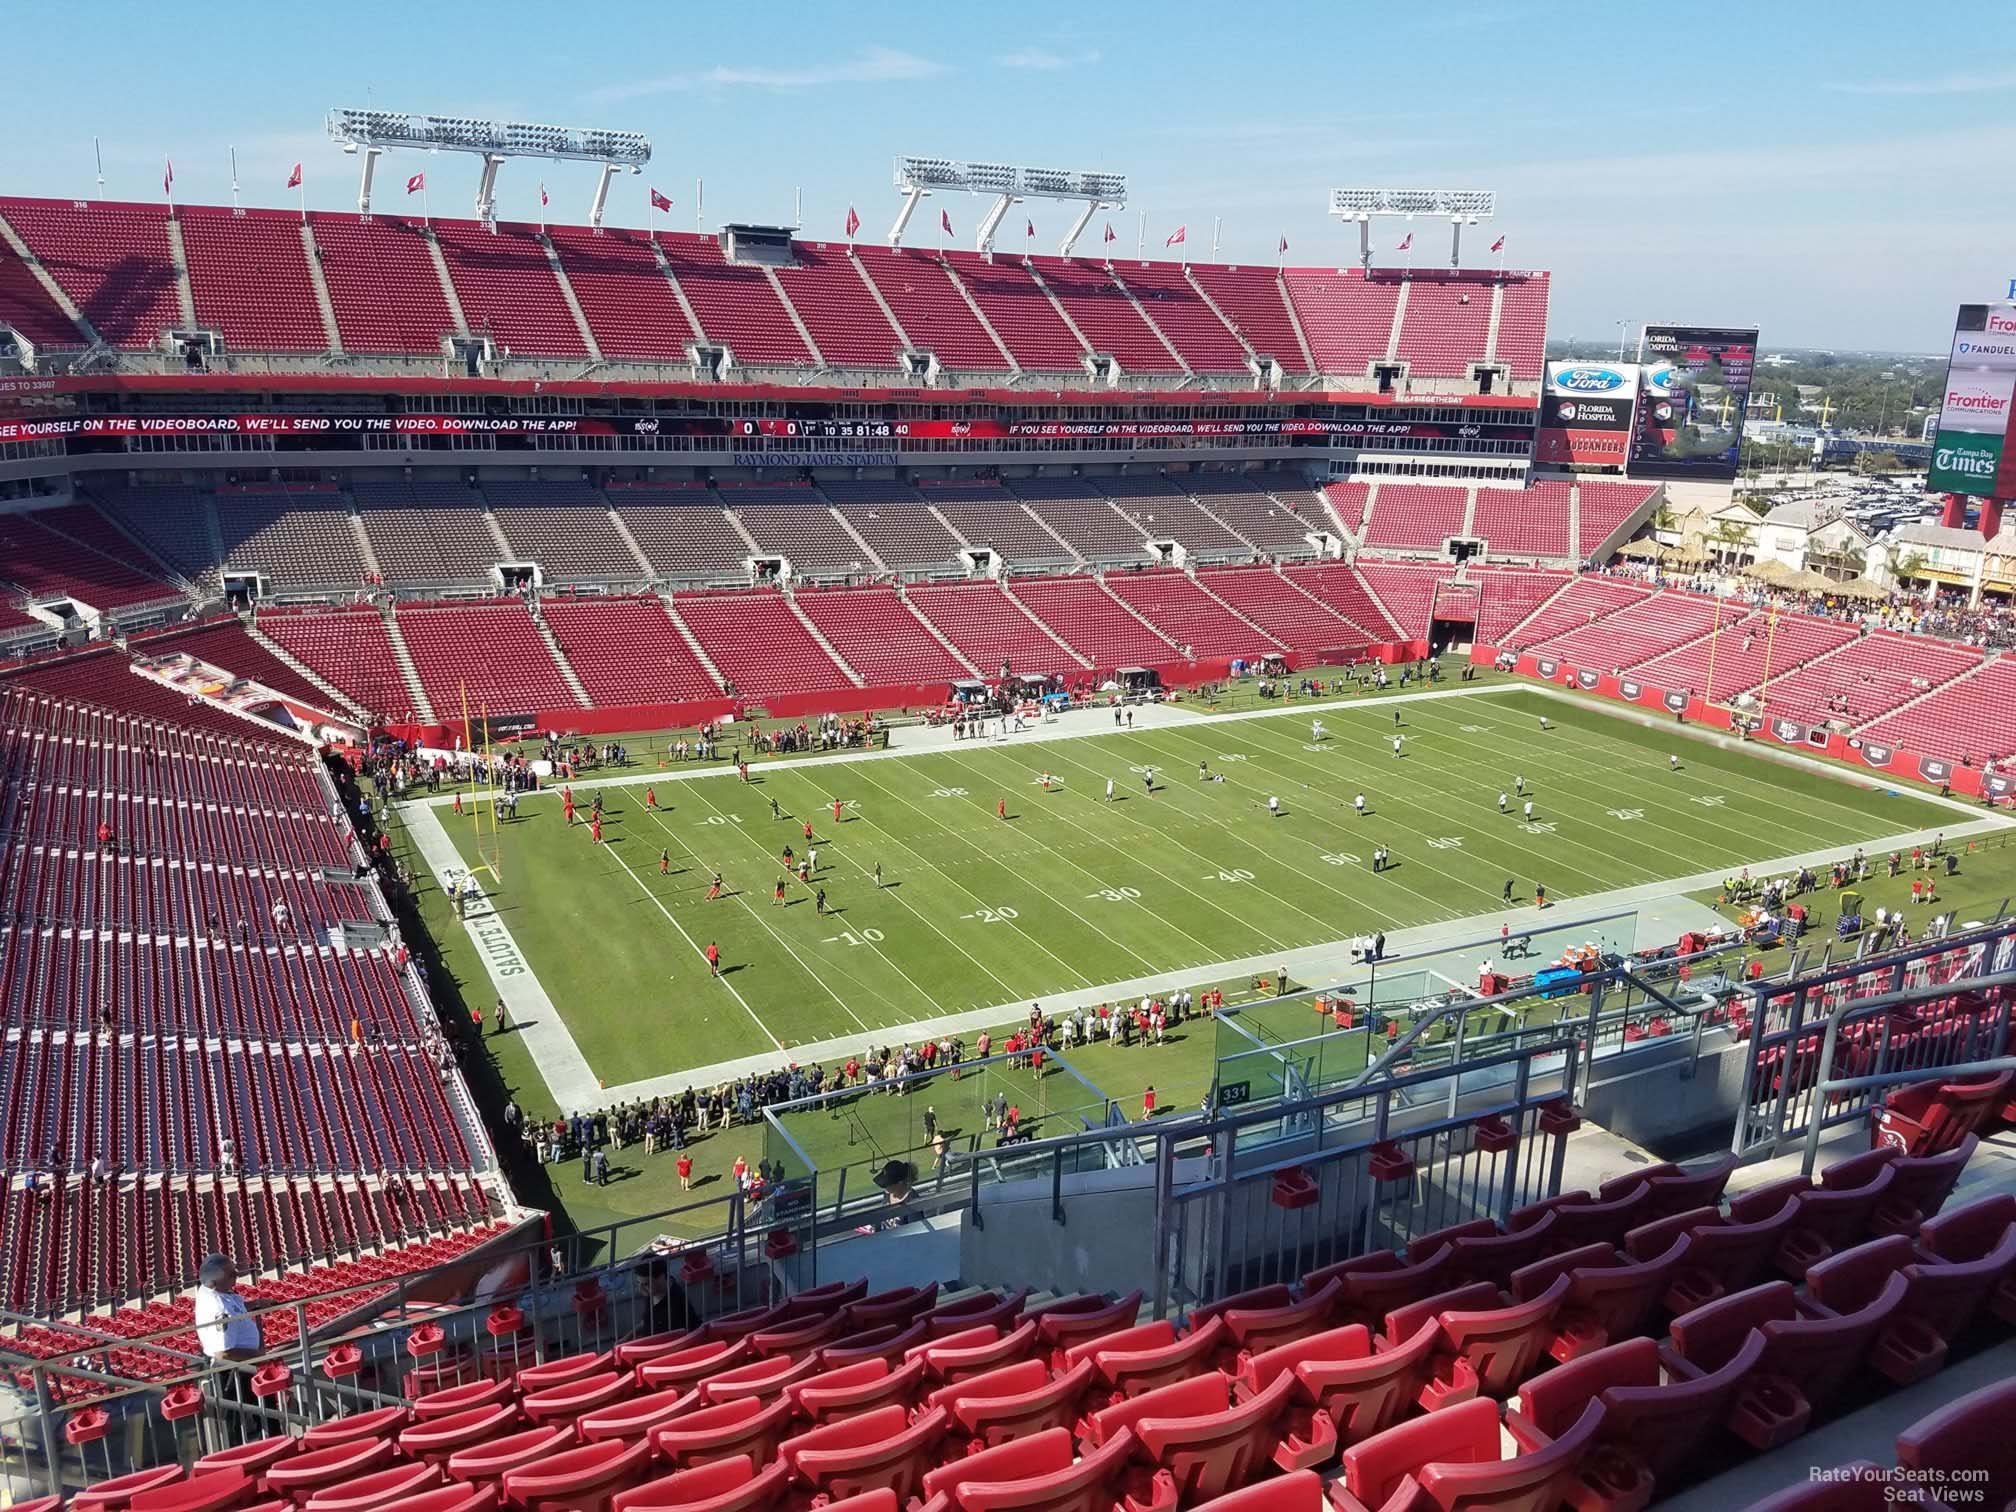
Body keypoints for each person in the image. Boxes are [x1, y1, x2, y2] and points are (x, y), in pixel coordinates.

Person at [193, 1254, 261, 1362]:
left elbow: (234, 1310)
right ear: (215, 1281)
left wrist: (255, 1304)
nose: (236, 1275)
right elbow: (223, 1354)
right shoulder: (220, 1310)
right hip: (238, 1367)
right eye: (231, 1274)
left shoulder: (209, 1288)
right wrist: (261, 1357)